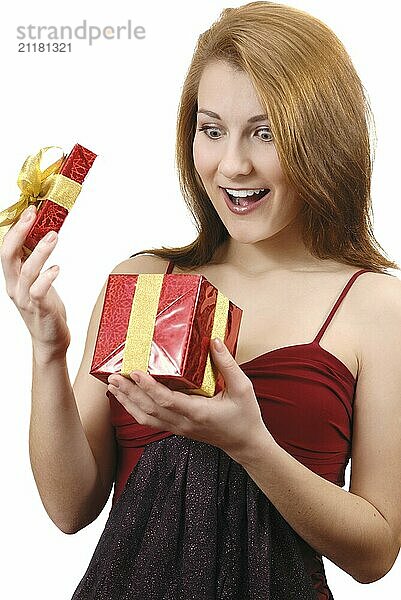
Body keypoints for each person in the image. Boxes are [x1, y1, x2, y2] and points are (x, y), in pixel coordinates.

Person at [1, 1, 401, 598]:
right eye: (211, 129)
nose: (232, 164)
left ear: (322, 141)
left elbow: (375, 552)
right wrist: (47, 350)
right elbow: (69, 508)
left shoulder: (375, 306)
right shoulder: (142, 281)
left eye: (265, 133)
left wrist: (249, 444)